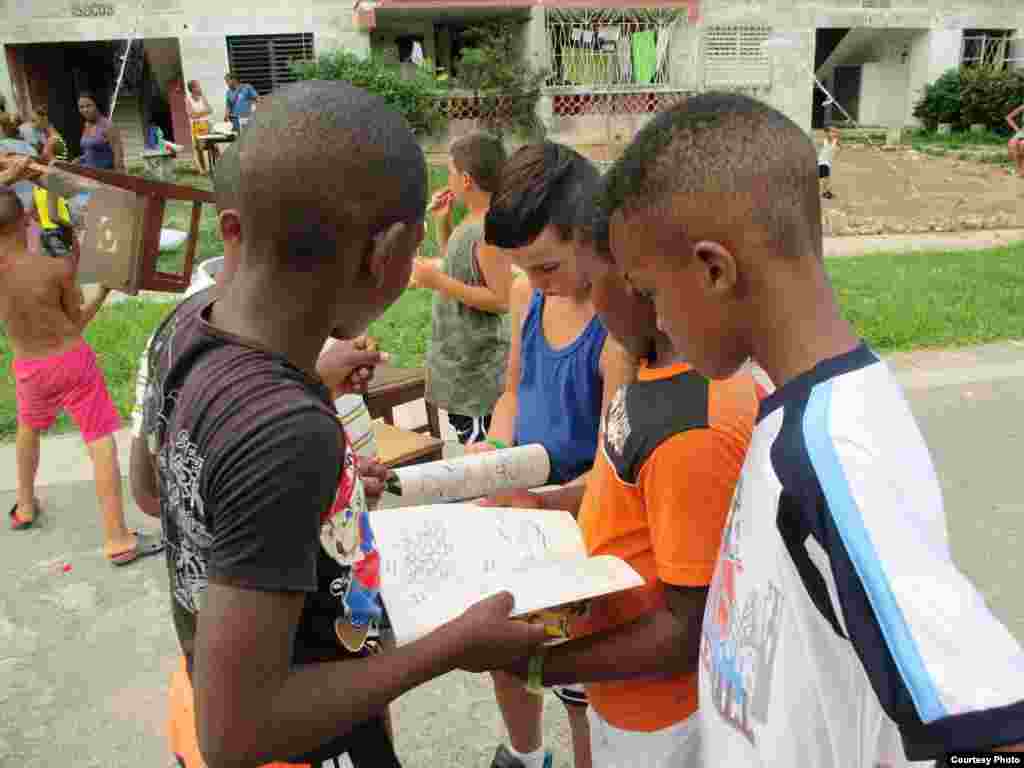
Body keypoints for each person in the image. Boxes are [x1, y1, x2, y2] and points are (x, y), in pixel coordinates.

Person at [599, 91, 1024, 766]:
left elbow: (996, 728)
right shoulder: (795, 416)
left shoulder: (831, 452)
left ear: (713, 270)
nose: (656, 321)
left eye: (651, 292)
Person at [130, 80, 547, 768]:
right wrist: (454, 646)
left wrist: (327, 488)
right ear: (385, 254)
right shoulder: (287, 434)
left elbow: (155, 490)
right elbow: (235, 735)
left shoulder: (180, 328)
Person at [482, 193, 760, 767]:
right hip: (624, 696)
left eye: (593, 284)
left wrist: (535, 665)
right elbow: (625, 485)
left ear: (635, 280)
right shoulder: (649, 374)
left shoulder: (692, 428)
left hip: (660, 719)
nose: (584, 305)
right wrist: (549, 503)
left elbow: (685, 630)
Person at [474, 142, 637, 768]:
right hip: (521, 510)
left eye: (546, 266)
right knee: (506, 649)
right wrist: (492, 452)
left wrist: (543, 502)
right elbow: (514, 391)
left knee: (578, 685)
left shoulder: (616, 328)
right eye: (525, 268)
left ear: (591, 234)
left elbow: (613, 464)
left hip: (580, 524)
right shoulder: (529, 295)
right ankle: (527, 753)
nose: (536, 281)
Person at [0, 176, 162, 565]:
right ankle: (117, 539)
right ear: (27, 219)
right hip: (71, 363)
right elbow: (77, 322)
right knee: (99, 441)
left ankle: (25, 506)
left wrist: (13, 173)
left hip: (28, 366)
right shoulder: (53, 269)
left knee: (28, 428)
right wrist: (102, 292)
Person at [413, 132, 511, 445]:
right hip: (461, 364)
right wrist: (442, 223)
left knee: (482, 451)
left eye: (451, 172)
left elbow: (501, 299)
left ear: (466, 179)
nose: (448, 180)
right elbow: (461, 267)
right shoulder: (471, 222)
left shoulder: (488, 230)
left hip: (477, 375)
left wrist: (437, 281)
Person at [78, 92, 124, 172]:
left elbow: (118, 157)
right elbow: (90, 153)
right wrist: (77, 160)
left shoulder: (108, 126)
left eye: (89, 106)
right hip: (88, 175)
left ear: (96, 105)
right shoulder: (86, 125)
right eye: (81, 107)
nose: (85, 110)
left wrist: (119, 176)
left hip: (104, 175)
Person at [184, 80, 213, 174]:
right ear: (192, 89)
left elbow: (210, 109)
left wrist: (198, 114)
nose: (200, 88)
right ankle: (202, 169)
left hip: (206, 124)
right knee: (199, 148)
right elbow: (191, 115)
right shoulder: (188, 100)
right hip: (196, 125)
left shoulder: (202, 97)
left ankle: (215, 166)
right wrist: (204, 112)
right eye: (197, 86)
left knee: (212, 146)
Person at [818, 125, 839, 200]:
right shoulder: (825, 140)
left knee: (825, 178)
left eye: (834, 132)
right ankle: (826, 192)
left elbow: (840, 146)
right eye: (831, 132)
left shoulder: (835, 140)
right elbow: (829, 138)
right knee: (825, 178)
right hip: (822, 161)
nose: (833, 133)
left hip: (828, 162)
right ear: (827, 133)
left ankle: (825, 192)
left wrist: (836, 153)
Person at [1007, 103, 1024, 177]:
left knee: (1022, 144)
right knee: (1012, 143)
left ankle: (1022, 169)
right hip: (1022, 132)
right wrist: (1017, 129)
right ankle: (1018, 169)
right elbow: (1008, 117)